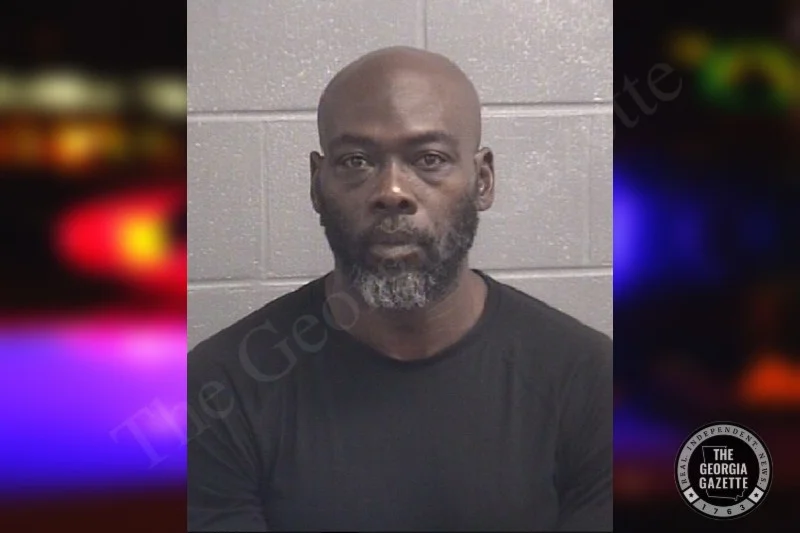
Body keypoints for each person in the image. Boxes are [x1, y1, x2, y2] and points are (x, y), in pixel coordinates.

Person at [187, 46, 612, 532]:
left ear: (482, 180)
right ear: (317, 184)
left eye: (429, 159)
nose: (392, 191)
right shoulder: (221, 390)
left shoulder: (591, 383)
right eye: (356, 161)